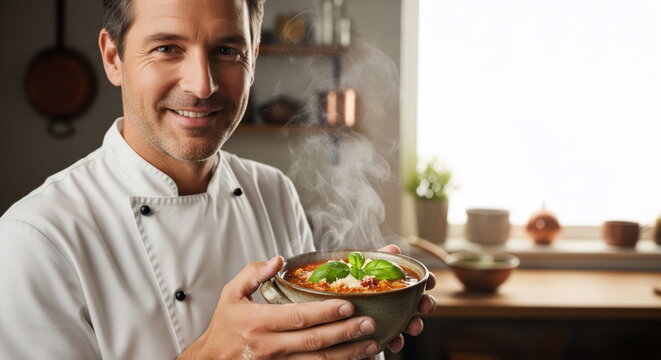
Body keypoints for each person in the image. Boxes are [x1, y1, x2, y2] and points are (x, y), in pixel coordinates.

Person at [0, 0, 436, 358]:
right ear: (114, 57)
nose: (203, 84)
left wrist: (357, 329)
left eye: (227, 50)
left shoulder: (274, 191)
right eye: (167, 48)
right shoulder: (36, 236)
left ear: (254, 57)